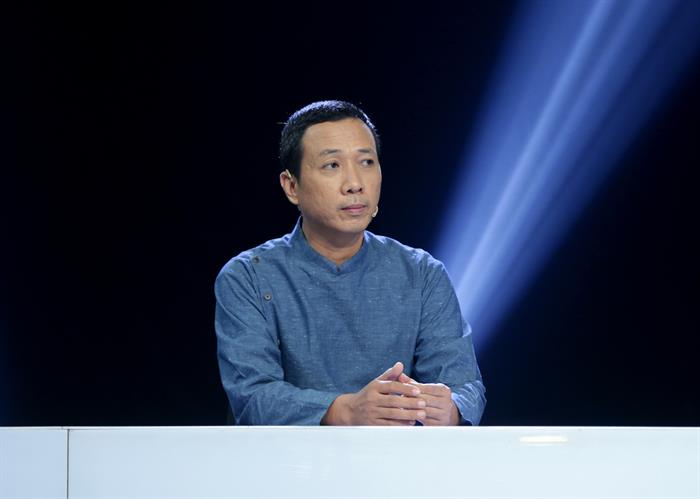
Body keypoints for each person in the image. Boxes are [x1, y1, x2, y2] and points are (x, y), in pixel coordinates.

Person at [215, 100, 486, 425]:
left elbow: (465, 387)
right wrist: (346, 410)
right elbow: (251, 397)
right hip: (283, 457)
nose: (355, 183)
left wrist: (450, 409)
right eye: (332, 165)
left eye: (367, 162)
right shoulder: (248, 277)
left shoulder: (422, 273)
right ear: (291, 186)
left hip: (396, 455)